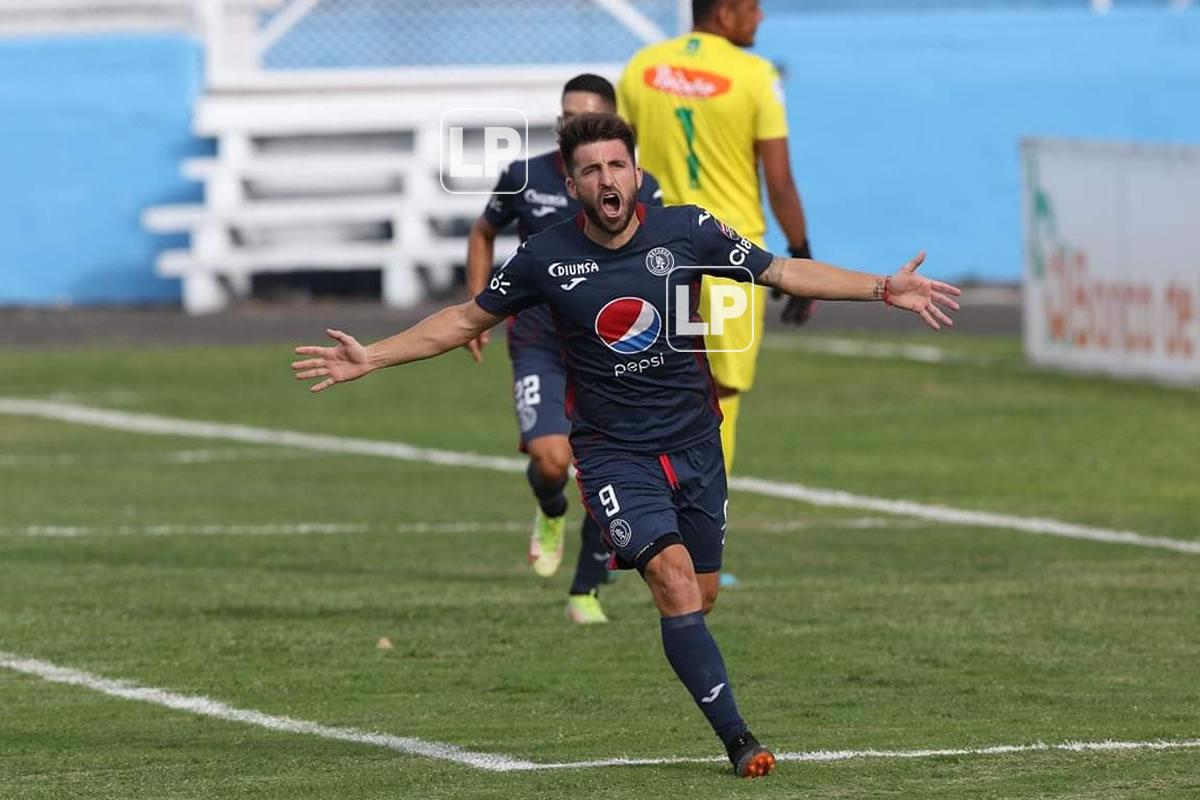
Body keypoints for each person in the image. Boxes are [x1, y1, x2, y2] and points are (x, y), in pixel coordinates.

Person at [292, 113, 960, 778]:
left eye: (617, 166)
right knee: (671, 581)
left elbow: (783, 272)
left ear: (637, 175)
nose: (606, 179)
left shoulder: (689, 229)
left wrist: (880, 288)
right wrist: (371, 357)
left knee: (699, 595)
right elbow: (465, 320)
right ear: (575, 185)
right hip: (615, 455)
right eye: (591, 170)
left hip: (697, 445)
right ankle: (740, 742)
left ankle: (703, 672)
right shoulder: (546, 257)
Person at [464, 74, 664, 625]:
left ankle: (584, 591)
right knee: (553, 460)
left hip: (608, 342)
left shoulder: (640, 188)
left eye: (584, 115)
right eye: (565, 114)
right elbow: (483, 233)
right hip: (538, 338)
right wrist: (477, 306)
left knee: (610, 467)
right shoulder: (524, 175)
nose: (570, 123)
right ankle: (549, 508)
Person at [618, 0, 812, 474]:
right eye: (752, 7)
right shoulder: (755, 75)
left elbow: (617, 160)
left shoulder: (643, 67)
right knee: (720, 393)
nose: (760, 17)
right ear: (724, 13)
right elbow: (780, 180)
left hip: (656, 256)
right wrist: (800, 254)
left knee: (655, 387)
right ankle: (703, 522)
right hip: (730, 258)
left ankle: (648, 512)